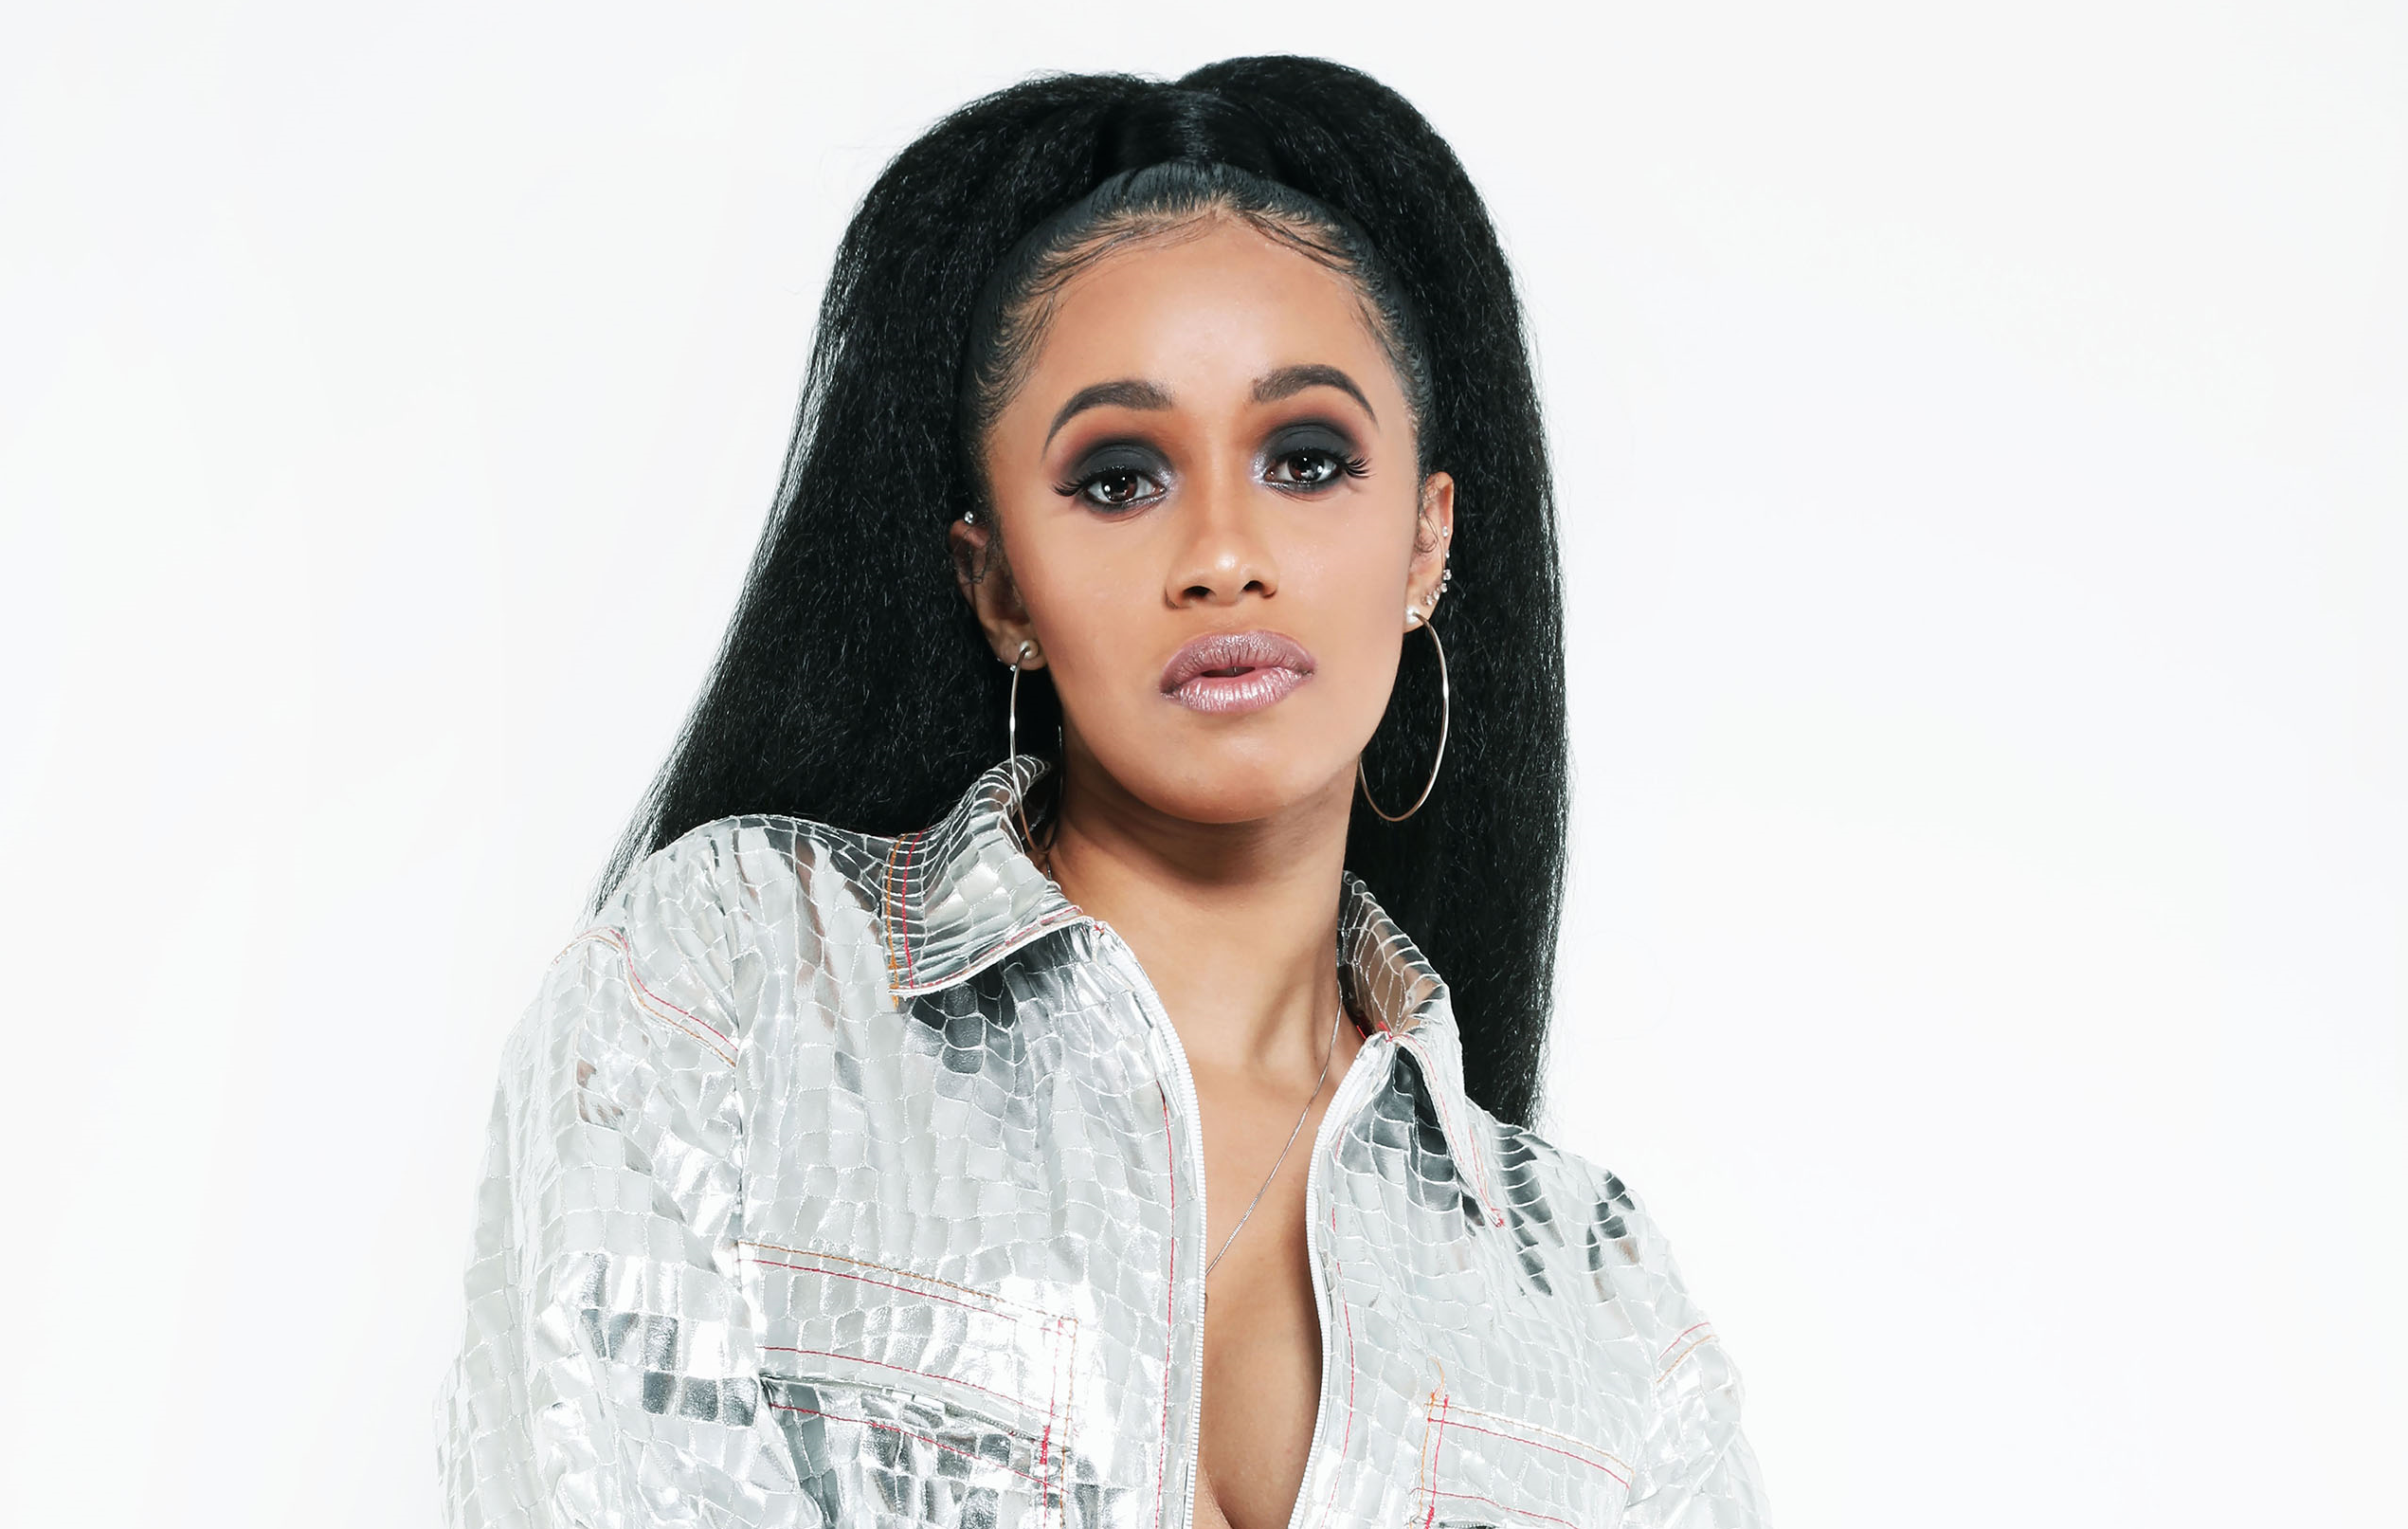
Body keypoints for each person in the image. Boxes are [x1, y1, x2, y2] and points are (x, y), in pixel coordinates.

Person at [438, 55, 1769, 1529]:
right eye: (1120, 478)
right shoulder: (732, 991)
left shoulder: (1603, 1320)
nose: (1223, 554)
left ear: (1426, 542)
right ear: (1000, 581)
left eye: (1307, 459)